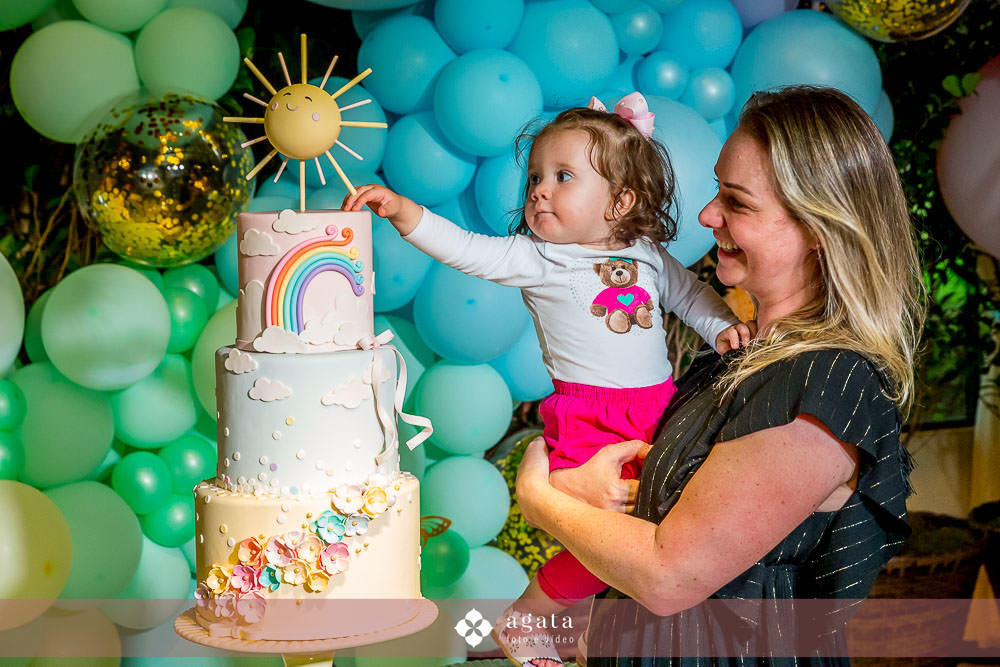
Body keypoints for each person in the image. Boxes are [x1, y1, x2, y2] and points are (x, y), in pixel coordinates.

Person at [514, 85, 925, 666]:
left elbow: (667, 575)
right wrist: (577, 484)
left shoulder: (828, 384)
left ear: (817, 227)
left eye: (737, 202)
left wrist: (537, 497)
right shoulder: (732, 358)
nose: (707, 216)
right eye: (716, 191)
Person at [343, 92, 752, 666]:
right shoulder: (536, 257)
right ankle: (527, 617)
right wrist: (406, 213)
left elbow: (690, 296)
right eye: (535, 177)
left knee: (655, 533)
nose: (539, 189)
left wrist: (723, 326)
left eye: (563, 177)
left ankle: (588, 629)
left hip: (660, 407)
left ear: (619, 202)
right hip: (590, 417)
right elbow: (465, 249)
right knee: (607, 534)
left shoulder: (647, 253)